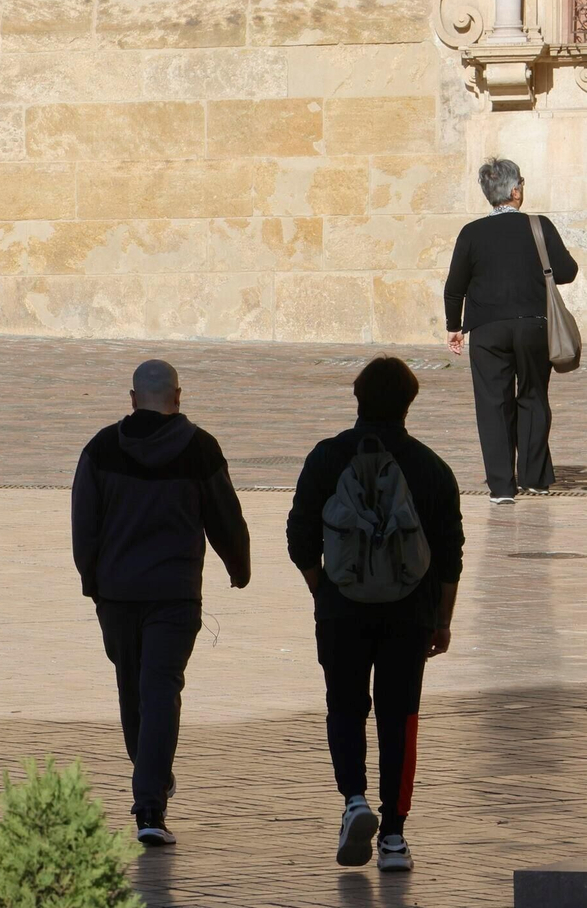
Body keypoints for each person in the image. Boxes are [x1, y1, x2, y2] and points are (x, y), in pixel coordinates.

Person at [287, 357, 463, 873]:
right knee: (399, 716)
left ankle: (354, 802)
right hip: (410, 614)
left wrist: (325, 591)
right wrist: (443, 618)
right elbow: (449, 554)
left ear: (357, 398)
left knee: (344, 705)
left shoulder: (327, 458)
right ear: (410, 403)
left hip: (341, 610)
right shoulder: (432, 468)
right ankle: (393, 835)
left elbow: (300, 539)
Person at [71, 359, 250, 847]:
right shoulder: (200, 448)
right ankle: (151, 794)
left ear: (132, 398)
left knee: (134, 690)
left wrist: (92, 579)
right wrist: (239, 565)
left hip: (118, 594)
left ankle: (148, 791)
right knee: (159, 692)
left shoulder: (102, 448)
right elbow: (224, 514)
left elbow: (84, 522)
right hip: (174, 593)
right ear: (178, 396)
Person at [444, 157, 578, 504]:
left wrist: (453, 327)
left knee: (492, 403)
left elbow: (454, 287)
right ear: (515, 190)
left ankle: (502, 487)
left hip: (487, 330)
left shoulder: (471, 233)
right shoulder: (539, 226)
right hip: (534, 325)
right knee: (533, 396)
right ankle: (534, 477)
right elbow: (566, 271)